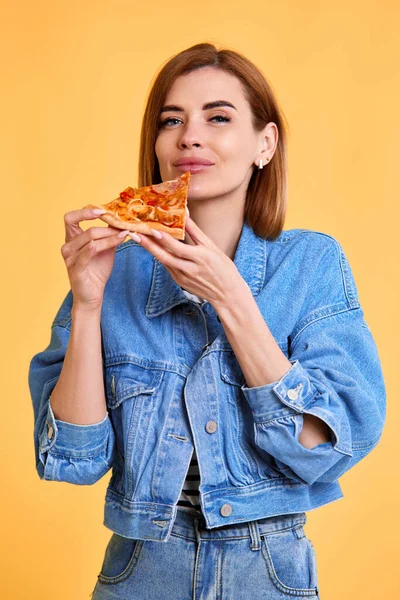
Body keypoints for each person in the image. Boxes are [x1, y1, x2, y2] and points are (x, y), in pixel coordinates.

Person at [28, 43, 386, 599]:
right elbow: (71, 460)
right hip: (140, 572)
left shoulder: (311, 264)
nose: (189, 136)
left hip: (267, 572)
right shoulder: (113, 271)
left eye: (218, 117)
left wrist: (234, 301)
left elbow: (327, 447)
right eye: (172, 120)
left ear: (264, 144)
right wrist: (88, 305)